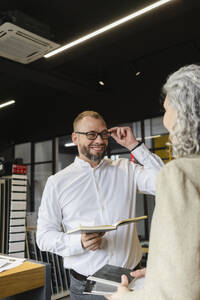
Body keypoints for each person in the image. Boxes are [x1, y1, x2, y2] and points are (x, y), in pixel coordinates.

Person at [36, 110, 164, 300]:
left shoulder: (125, 168)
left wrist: (133, 145)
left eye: (103, 134)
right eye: (91, 134)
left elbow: (164, 182)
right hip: (87, 287)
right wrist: (78, 242)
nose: (99, 140)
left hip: (131, 281)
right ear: (75, 138)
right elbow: (44, 236)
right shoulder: (57, 182)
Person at [106, 64, 200, 300]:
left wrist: (123, 297)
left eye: (167, 109)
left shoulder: (181, 175)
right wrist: (162, 271)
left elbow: (176, 294)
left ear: (185, 112)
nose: (165, 119)